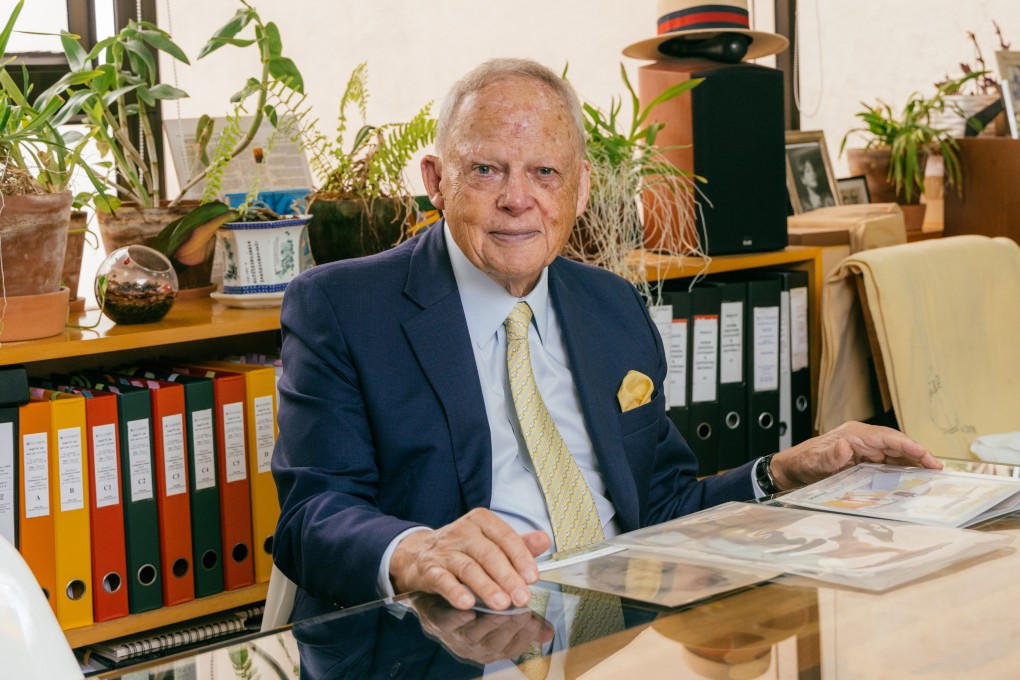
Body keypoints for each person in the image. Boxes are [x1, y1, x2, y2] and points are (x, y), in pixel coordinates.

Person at [271, 57, 941, 623]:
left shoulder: (613, 305)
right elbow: (312, 517)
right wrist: (413, 550)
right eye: (485, 171)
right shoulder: (343, 307)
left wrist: (781, 472)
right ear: (435, 181)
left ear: (582, 189)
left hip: (621, 634)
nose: (517, 199)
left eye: (545, 173)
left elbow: (664, 506)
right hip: (450, 637)